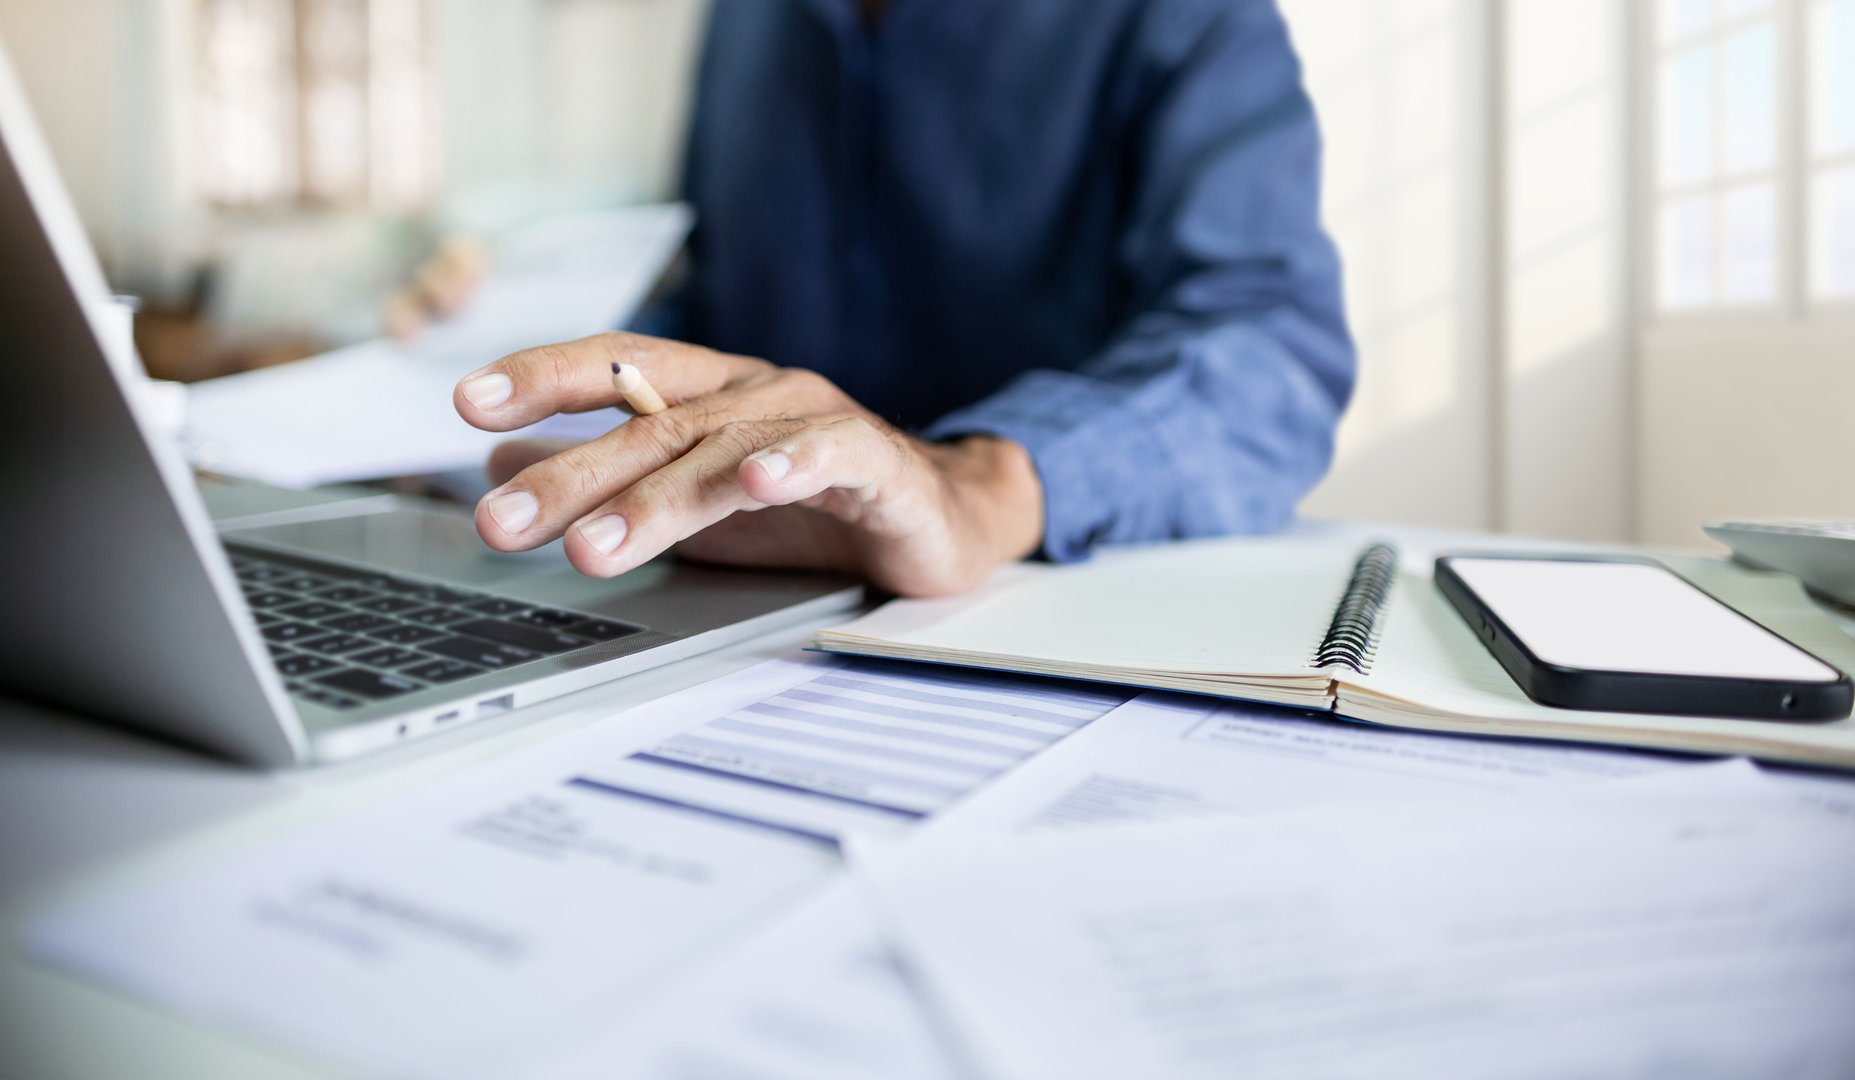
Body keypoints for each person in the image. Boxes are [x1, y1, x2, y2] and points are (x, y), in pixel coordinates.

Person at [450, 0, 1355, 598]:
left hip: (1025, 605)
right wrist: (509, 345)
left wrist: (988, 483)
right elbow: (714, 304)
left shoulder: (1181, 17)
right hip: (732, 600)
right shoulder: (748, 19)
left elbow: (1272, 351)